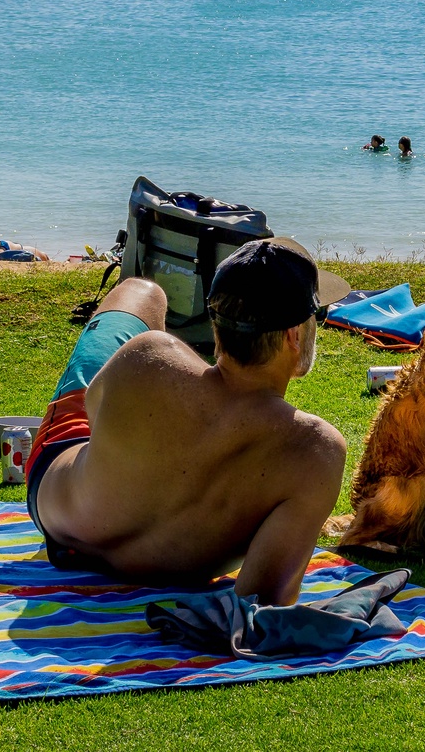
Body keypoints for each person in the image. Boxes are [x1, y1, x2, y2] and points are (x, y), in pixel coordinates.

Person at [27, 240, 348, 605]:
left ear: (217, 328)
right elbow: (264, 602)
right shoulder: (315, 450)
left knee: (141, 291)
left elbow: (92, 407)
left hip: (58, 518)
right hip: (171, 571)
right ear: (294, 335)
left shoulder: (149, 352)